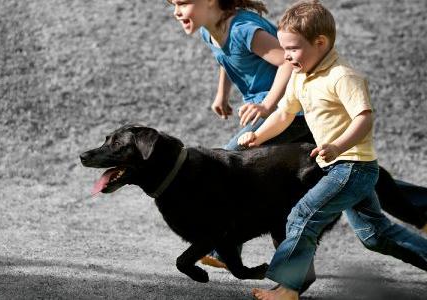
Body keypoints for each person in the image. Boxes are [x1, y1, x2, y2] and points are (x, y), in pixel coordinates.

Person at [167, 0, 427, 272]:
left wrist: (267, 104)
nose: (176, 10)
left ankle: (226, 249)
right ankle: (420, 208)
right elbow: (227, 58)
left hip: (291, 112)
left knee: (230, 162)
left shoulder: (245, 29)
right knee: (353, 176)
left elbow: (285, 62)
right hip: (283, 111)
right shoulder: (210, 31)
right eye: (172, 4)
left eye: (183, 2)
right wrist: (222, 94)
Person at [235, 1, 427, 299]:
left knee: (302, 215)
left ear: (320, 43)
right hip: (338, 167)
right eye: (283, 48)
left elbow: (364, 119)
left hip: (353, 166)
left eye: (293, 49)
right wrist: (257, 135)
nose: (286, 56)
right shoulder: (301, 76)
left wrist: (339, 145)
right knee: (375, 235)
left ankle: (289, 287)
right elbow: (284, 114)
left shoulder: (342, 77)